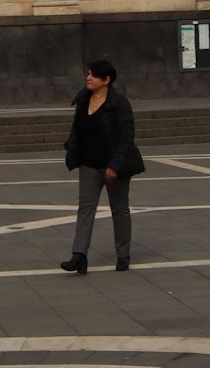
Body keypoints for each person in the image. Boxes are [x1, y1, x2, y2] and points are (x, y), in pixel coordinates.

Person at [60, 58, 144, 273]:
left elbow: (126, 137)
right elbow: (77, 131)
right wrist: (72, 151)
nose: (88, 78)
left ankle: (123, 255)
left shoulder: (120, 104)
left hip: (113, 166)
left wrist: (115, 165)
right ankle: (79, 255)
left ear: (106, 80)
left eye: (93, 75)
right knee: (85, 209)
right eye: (88, 73)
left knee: (119, 210)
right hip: (88, 164)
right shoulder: (83, 100)